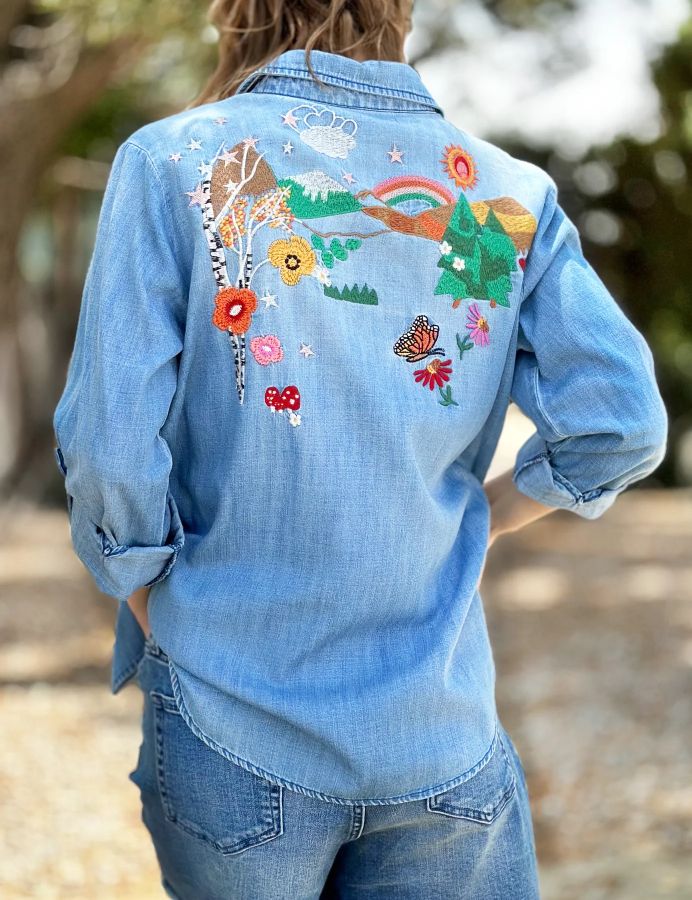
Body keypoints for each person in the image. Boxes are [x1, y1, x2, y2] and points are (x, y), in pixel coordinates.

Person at [52, 0, 669, 897]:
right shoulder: (507, 198)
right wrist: (486, 521)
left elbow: (109, 449)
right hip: (439, 735)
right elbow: (622, 420)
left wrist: (149, 596)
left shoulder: (173, 162)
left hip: (232, 718)